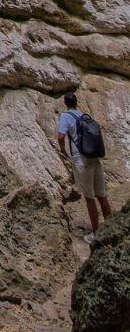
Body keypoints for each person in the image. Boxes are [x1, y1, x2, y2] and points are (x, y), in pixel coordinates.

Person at [58, 92, 112, 244]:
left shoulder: (66, 117)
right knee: (102, 195)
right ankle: (112, 229)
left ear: (64, 102)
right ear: (76, 102)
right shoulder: (83, 116)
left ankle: (97, 234)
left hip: (82, 159)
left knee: (89, 198)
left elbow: (61, 136)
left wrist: (62, 150)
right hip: (95, 158)